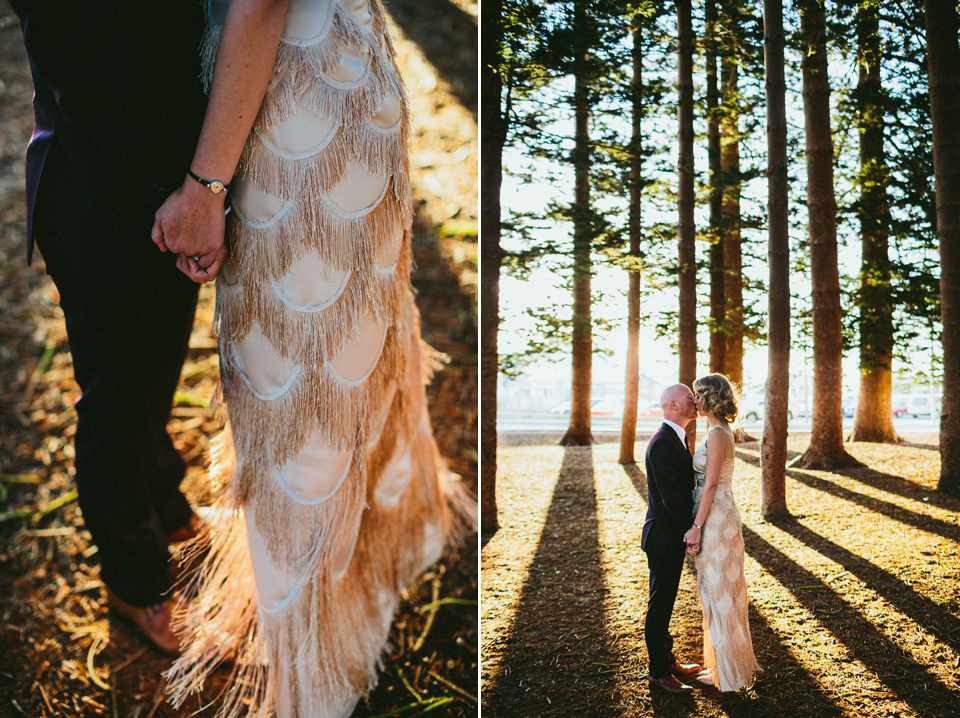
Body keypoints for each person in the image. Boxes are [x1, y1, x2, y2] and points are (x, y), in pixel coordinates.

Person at [158, 1, 474, 716]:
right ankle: (342, 613)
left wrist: (206, 186)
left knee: (295, 390)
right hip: (338, 72)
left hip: (290, 108)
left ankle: (315, 681)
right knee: (335, 368)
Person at [10, 0, 214, 654]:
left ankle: (169, 509)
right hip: (103, 192)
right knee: (120, 400)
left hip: (144, 180)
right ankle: (136, 581)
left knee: (145, 378)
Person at [684, 373, 760, 691]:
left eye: (698, 395)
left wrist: (697, 526)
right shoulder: (717, 429)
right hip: (716, 511)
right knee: (718, 592)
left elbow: (712, 483)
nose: (694, 401)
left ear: (711, 397)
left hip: (715, 517)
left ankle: (729, 675)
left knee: (721, 593)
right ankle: (723, 667)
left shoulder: (717, 433)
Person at [642, 384, 703, 694]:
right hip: (664, 537)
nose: (696, 402)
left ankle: (667, 662)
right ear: (674, 405)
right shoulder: (663, 444)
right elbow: (672, 500)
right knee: (660, 605)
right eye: (690, 399)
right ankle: (658, 673)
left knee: (665, 602)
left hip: (670, 535)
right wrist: (692, 530)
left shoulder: (677, 438)